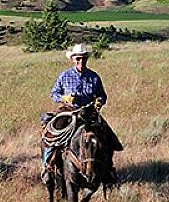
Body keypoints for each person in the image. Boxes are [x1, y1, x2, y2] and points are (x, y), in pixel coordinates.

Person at [42, 43, 120, 182]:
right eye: (78, 59)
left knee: (107, 136)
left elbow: (102, 95)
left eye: (83, 59)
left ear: (87, 59)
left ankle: (108, 168)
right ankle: (48, 167)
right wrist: (64, 98)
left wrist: (99, 100)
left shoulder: (94, 77)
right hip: (68, 111)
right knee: (53, 135)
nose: (81, 61)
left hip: (89, 111)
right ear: (73, 59)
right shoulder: (65, 76)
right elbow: (54, 93)